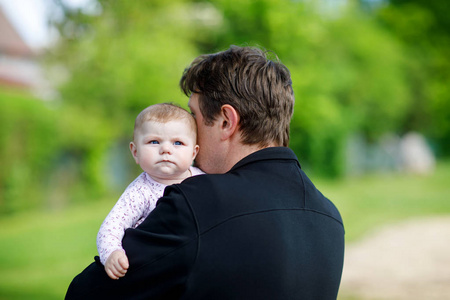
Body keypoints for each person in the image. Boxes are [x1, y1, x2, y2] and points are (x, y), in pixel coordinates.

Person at [66, 45, 345, 300]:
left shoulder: (197, 201)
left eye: (194, 117)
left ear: (226, 121)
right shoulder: (330, 217)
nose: (187, 132)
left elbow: (85, 294)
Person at [97, 103, 204, 280]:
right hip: (155, 267)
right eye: (154, 142)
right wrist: (112, 253)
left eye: (178, 142)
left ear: (193, 152)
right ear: (135, 152)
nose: (166, 149)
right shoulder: (140, 192)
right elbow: (110, 227)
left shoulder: (204, 179)